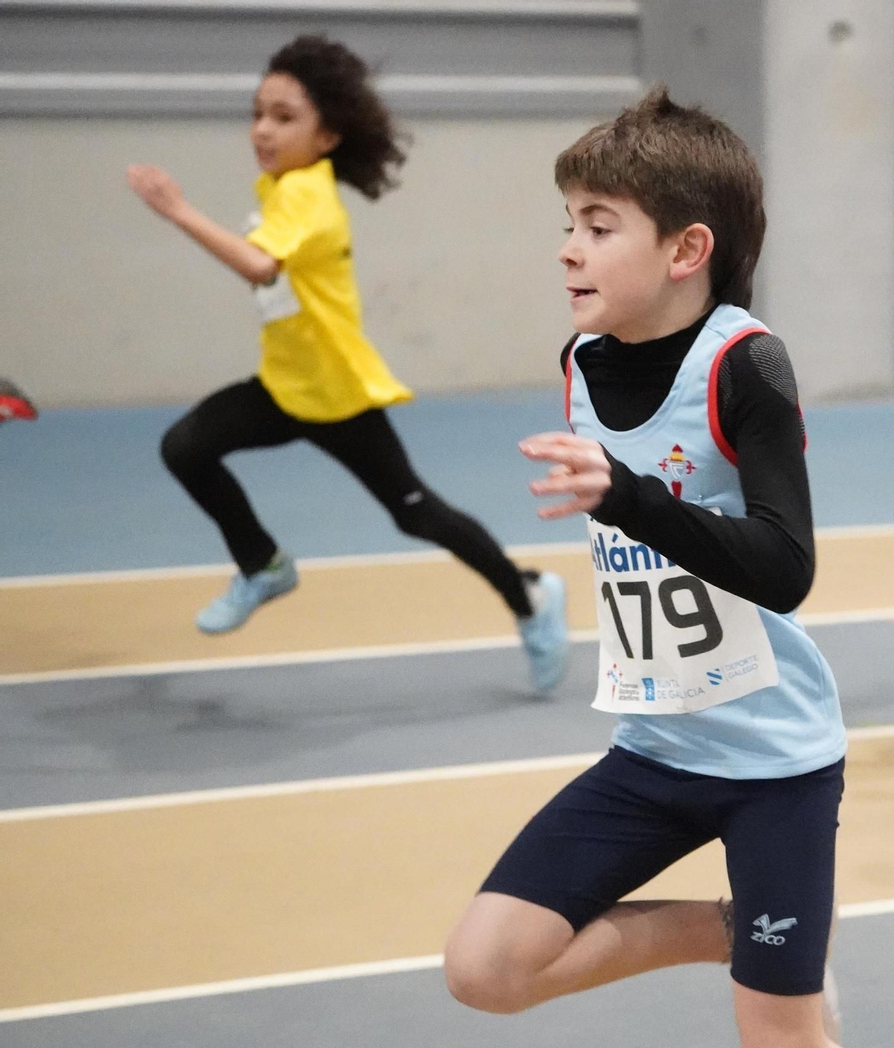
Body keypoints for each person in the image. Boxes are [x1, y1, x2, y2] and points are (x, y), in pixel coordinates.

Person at [442, 90, 894, 1048]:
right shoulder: (581, 365)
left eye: (599, 227)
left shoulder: (743, 364)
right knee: (484, 970)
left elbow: (786, 565)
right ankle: (730, 929)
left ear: (687, 248)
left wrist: (628, 495)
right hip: (656, 746)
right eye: (567, 223)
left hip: (774, 759)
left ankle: (774, 943)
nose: (568, 249)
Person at [126, 35, 566, 693]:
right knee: (185, 447)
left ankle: (531, 594)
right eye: (258, 113)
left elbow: (258, 264)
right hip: (283, 388)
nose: (263, 130)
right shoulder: (279, 188)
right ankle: (263, 565)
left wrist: (176, 208)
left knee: (416, 514)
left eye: (283, 117)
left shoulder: (305, 194)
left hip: (337, 397)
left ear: (327, 136)